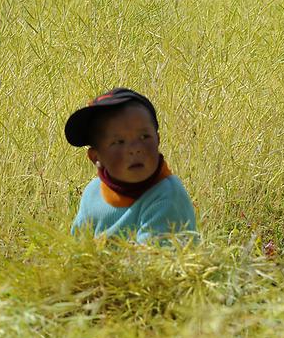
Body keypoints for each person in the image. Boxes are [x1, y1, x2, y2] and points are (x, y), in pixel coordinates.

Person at [65, 87, 197, 242]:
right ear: (95, 157)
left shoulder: (166, 196)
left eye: (144, 136)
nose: (135, 149)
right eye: (118, 142)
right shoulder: (93, 193)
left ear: (158, 140)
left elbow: (153, 261)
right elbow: (79, 247)